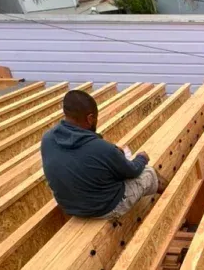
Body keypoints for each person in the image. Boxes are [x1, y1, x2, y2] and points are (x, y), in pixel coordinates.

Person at [41, 89, 167, 220]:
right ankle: (174, 203)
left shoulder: (48, 139)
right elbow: (133, 171)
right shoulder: (101, 148)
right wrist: (142, 158)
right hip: (103, 208)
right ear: (90, 118)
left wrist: (112, 154)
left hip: (70, 207)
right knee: (149, 173)